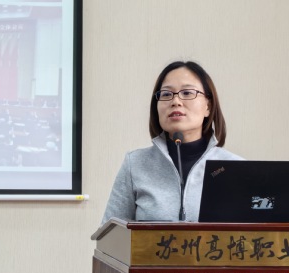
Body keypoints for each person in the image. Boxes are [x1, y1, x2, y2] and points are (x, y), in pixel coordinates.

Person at [102, 61, 243, 224]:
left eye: (187, 92)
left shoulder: (236, 167)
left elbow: (251, 236)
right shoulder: (135, 164)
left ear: (208, 106)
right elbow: (109, 233)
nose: (175, 101)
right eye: (166, 94)